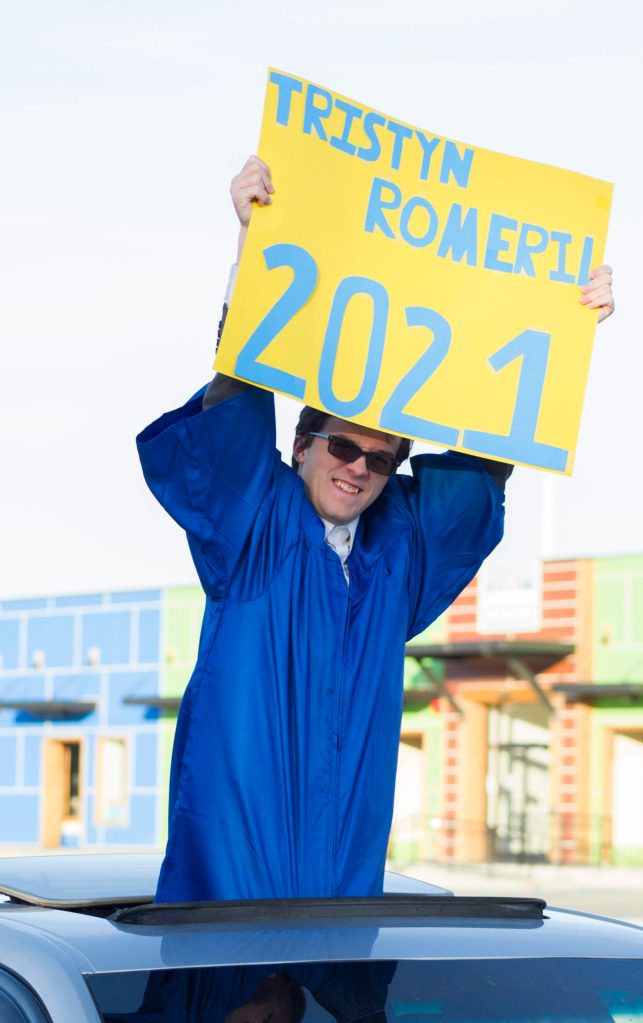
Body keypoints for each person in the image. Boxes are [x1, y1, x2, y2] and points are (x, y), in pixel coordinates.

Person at [138, 157, 614, 903]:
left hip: (341, 905)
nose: (360, 468)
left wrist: (558, 321)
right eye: (342, 446)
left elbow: (489, 460)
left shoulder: (395, 561)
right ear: (300, 445)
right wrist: (252, 248)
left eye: (381, 459)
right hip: (226, 903)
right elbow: (234, 391)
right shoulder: (251, 528)